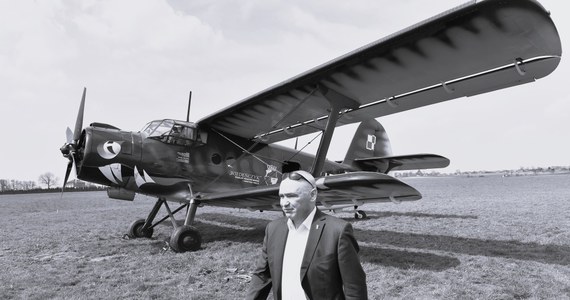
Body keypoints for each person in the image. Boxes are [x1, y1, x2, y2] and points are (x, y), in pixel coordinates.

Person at [246, 170, 368, 300]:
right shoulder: (273, 229)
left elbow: (355, 288)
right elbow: (262, 276)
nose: (284, 203)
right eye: (282, 196)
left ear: (313, 195)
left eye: (292, 196)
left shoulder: (338, 231)